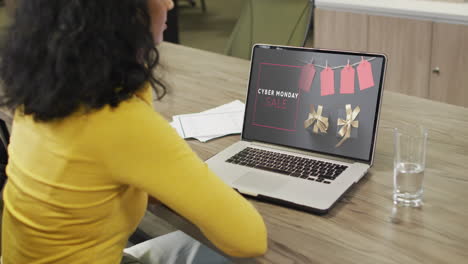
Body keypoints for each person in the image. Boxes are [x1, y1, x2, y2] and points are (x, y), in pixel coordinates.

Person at [0, 0, 267, 263]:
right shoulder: (118, 121)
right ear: (120, 13)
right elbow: (250, 239)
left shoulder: (41, 95)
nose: (170, 5)